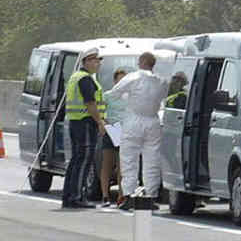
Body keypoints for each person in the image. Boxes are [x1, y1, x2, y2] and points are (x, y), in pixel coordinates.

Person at [109, 52, 169, 202]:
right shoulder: (161, 81)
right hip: (153, 121)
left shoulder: (133, 77)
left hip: (134, 120)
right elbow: (163, 97)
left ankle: (129, 195)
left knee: (129, 158)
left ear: (141, 62)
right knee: (152, 159)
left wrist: (126, 97)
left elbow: (115, 92)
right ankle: (151, 195)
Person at [60, 48, 104, 209]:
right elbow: (90, 104)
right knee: (84, 159)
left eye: (98, 60)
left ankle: (69, 195)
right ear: (85, 62)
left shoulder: (75, 77)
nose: (97, 63)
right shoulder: (85, 79)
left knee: (76, 160)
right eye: (94, 60)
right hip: (85, 122)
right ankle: (77, 196)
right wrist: (100, 122)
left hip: (76, 122)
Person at [96, 67, 127, 205]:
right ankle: (105, 195)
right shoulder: (107, 95)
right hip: (111, 131)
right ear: (115, 82)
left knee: (122, 166)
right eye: (119, 80)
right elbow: (101, 113)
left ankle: (121, 195)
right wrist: (105, 124)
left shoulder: (130, 97)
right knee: (107, 164)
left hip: (124, 132)